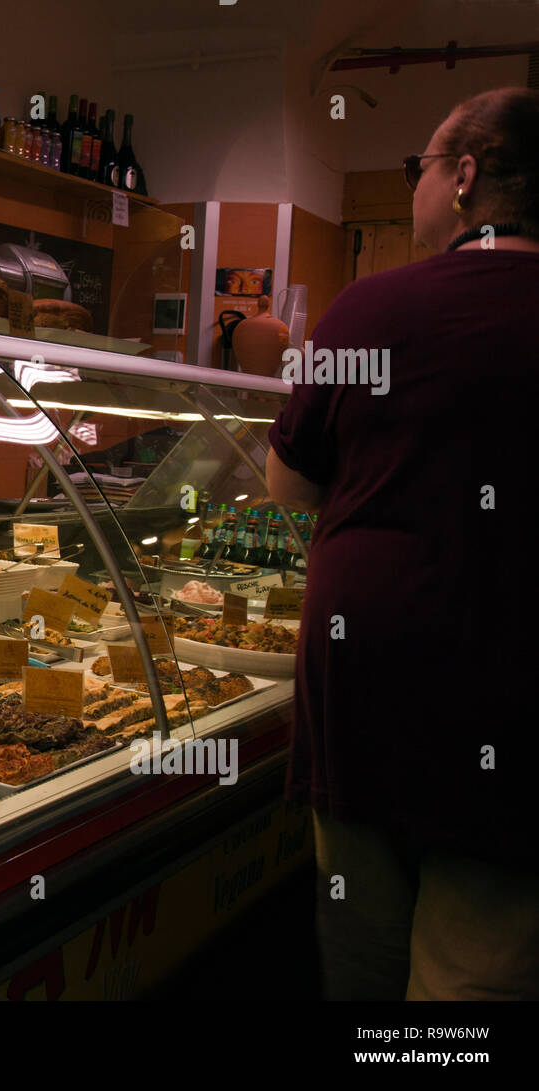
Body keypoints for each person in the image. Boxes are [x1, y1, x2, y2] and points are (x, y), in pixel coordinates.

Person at [266, 87, 539, 1000]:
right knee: (472, 981)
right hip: (514, 717)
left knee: (364, 962)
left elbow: (287, 483)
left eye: (417, 167)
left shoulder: (371, 307)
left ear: (465, 177)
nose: (415, 186)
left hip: (365, 703)